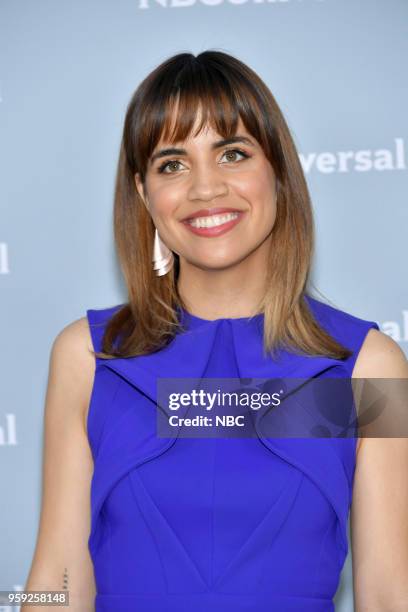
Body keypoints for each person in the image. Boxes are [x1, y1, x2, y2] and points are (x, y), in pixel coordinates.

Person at [24, 51, 408, 612]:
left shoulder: (365, 367)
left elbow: (389, 592)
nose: (205, 188)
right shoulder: (89, 357)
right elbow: (54, 581)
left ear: (277, 169)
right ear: (143, 194)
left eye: (232, 153)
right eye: (172, 164)